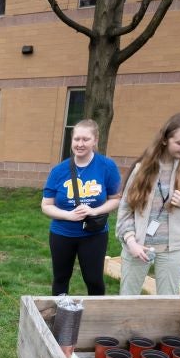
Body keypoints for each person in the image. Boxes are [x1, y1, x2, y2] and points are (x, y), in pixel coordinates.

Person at [115, 112, 180, 296]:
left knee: (169, 301)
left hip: (174, 250)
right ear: (165, 140)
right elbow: (125, 210)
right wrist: (131, 242)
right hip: (138, 247)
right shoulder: (143, 168)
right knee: (127, 300)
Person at [40, 118, 121, 295]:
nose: (80, 144)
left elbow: (115, 199)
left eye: (86, 139)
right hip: (62, 234)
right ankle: (61, 317)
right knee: (61, 278)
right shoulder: (59, 170)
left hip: (94, 234)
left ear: (95, 141)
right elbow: (46, 205)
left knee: (94, 280)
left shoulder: (107, 166)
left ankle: (97, 317)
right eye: (77, 139)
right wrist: (68, 215)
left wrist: (94, 210)